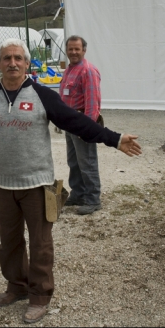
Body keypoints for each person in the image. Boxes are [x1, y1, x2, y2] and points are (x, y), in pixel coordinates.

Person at [0, 38, 142, 324]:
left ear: (26, 64)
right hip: (1, 184)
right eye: (7, 58)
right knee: (9, 242)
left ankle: (40, 296)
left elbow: (77, 121)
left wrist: (115, 139)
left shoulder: (42, 96)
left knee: (40, 244)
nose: (13, 63)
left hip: (37, 185)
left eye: (18, 58)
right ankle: (17, 286)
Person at [59, 35, 104, 215]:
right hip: (69, 123)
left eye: (77, 49)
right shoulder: (70, 69)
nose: (74, 52)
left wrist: (87, 128)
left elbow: (93, 103)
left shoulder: (88, 71)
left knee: (87, 162)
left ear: (84, 50)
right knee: (74, 161)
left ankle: (93, 199)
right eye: (71, 49)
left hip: (80, 122)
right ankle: (78, 194)